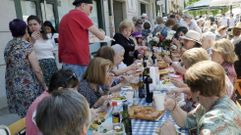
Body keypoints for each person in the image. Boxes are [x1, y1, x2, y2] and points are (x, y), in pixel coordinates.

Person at [161, 61, 241, 135]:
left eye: (190, 86)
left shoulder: (213, 123)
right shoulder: (211, 101)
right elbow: (187, 122)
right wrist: (174, 107)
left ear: (198, 92)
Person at [4, 18, 46, 117]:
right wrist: (44, 85)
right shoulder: (27, 46)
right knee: (34, 113)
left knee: (23, 115)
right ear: (25, 30)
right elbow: (37, 70)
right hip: (27, 86)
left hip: (12, 85)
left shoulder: (8, 45)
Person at [58, 0, 105, 80]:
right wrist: (102, 31)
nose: (90, 12)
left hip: (67, 60)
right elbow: (101, 36)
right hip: (78, 60)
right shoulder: (80, 15)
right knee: (81, 89)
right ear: (83, 5)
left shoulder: (65, 17)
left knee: (71, 88)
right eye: (90, 8)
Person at [26, 69, 79, 135]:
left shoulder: (54, 97)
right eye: (73, 90)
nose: (76, 94)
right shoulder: (45, 105)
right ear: (61, 89)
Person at [27, 15, 58, 86]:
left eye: (35, 24)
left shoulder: (48, 36)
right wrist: (32, 40)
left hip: (51, 64)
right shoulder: (28, 38)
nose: (32, 26)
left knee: (54, 87)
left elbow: (52, 49)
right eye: (30, 25)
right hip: (40, 65)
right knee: (44, 89)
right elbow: (27, 52)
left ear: (40, 25)